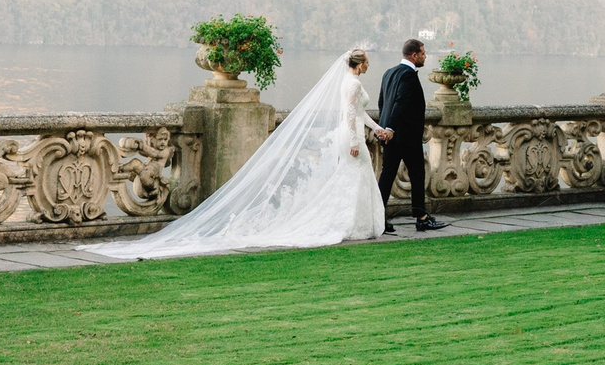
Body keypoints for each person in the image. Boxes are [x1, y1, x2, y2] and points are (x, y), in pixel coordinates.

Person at [95, 47, 391, 259]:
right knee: (353, 178)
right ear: (359, 63)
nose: (368, 66)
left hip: (351, 135)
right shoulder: (351, 84)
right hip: (349, 137)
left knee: (354, 178)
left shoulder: (351, 82)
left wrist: (377, 129)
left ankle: (357, 223)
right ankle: (350, 223)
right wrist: (354, 140)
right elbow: (349, 116)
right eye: (366, 62)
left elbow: (358, 113)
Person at [376, 37, 445, 234]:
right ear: (414, 55)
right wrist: (390, 128)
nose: (425, 56)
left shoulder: (388, 73)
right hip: (405, 135)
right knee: (417, 173)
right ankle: (421, 218)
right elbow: (400, 103)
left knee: (387, 175)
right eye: (423, 53)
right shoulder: (408, 75)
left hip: (391, 135)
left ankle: (378, 217)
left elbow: (383, 104)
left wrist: (385, 128)